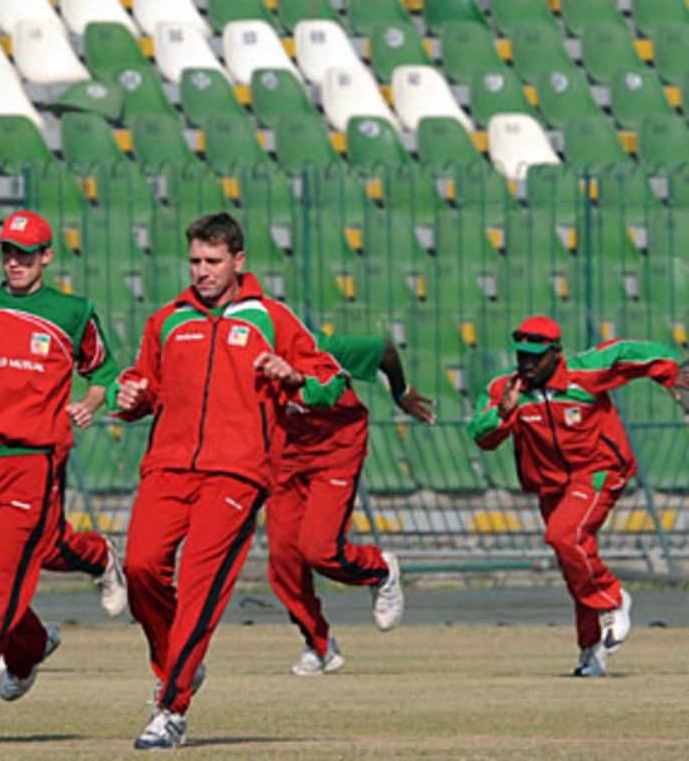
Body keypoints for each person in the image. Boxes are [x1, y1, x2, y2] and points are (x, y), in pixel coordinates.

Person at [116, 212, 346, 749]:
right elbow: (141, 384)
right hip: (167, 468)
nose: (202, 272)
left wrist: (294, 379)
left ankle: (170, 708)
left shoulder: (273, 319)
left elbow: (331, 381)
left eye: (212, 261)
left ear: (238, 261)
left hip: (238, 474)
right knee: (139, 567)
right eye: (195, 261)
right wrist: (130, 398)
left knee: (199, 585)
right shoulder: (167, 320)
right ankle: (176, 662)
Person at [0, 211, 128, 744]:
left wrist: (88, 402)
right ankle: (32, 643)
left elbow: (104, 371)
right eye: (8, 253)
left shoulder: (72, 311)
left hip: (34, 461)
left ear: (47, 257)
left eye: (26, 253)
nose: (15, 262)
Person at [469, 315, 689, 677]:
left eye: (535, 357)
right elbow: (481, 436)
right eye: (522, 355)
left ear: (556, 354)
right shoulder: (504, 388)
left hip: (600, 472)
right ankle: (591, 650)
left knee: (564, 535)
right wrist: (504, 413)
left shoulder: (585, 371)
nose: (526, 363)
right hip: (551, 484)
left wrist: (668, 371)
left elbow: (628, 351)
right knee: (573, 561)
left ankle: (614, 599)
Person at [0, 265, 127, 615]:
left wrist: (89, 405)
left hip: (40, 446)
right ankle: (24, 642)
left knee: (39, 547)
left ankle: (100, 556)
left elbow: (104, 373)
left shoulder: (12, 317)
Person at [270, 333, 435, 676]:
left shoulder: (326, 350)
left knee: (319, 550)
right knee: (284, 560)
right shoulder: (239, 361)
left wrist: (401, 393)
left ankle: (380, 569)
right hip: (285, 460)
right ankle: (319, 645)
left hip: (336, 453)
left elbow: (386, 349)